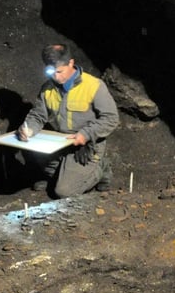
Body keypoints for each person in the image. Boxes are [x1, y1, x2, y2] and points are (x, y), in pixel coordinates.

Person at [16, 44, 119, 197]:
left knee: (63, 191)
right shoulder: (48, 88)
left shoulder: (93, 86)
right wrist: (28, 129)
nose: (56, 77)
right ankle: (63, 173)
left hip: (86, 146)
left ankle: (100, 169)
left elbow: (111, 118)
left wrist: (85, 134)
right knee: (30, 148)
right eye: (51, 72)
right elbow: (37, 115)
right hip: (62, 142)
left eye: (60, 71)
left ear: (71, 63)